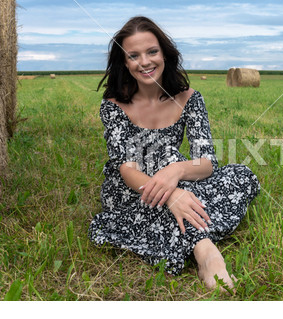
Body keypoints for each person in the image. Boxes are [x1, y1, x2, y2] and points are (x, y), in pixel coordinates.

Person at [88, 16, 260, 291]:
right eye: (134, 55)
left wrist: (176, 172)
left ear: (165, 54)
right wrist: (171, 194)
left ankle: (169, 220)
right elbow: (126, 168)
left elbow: (206, 162)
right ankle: (206, 252)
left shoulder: (190, 98)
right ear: (124, 63)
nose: (144, 62)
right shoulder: (113, 106)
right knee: (162, 154)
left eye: (152, 51)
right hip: (131, 188)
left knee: (241, 175)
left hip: (174, 177)